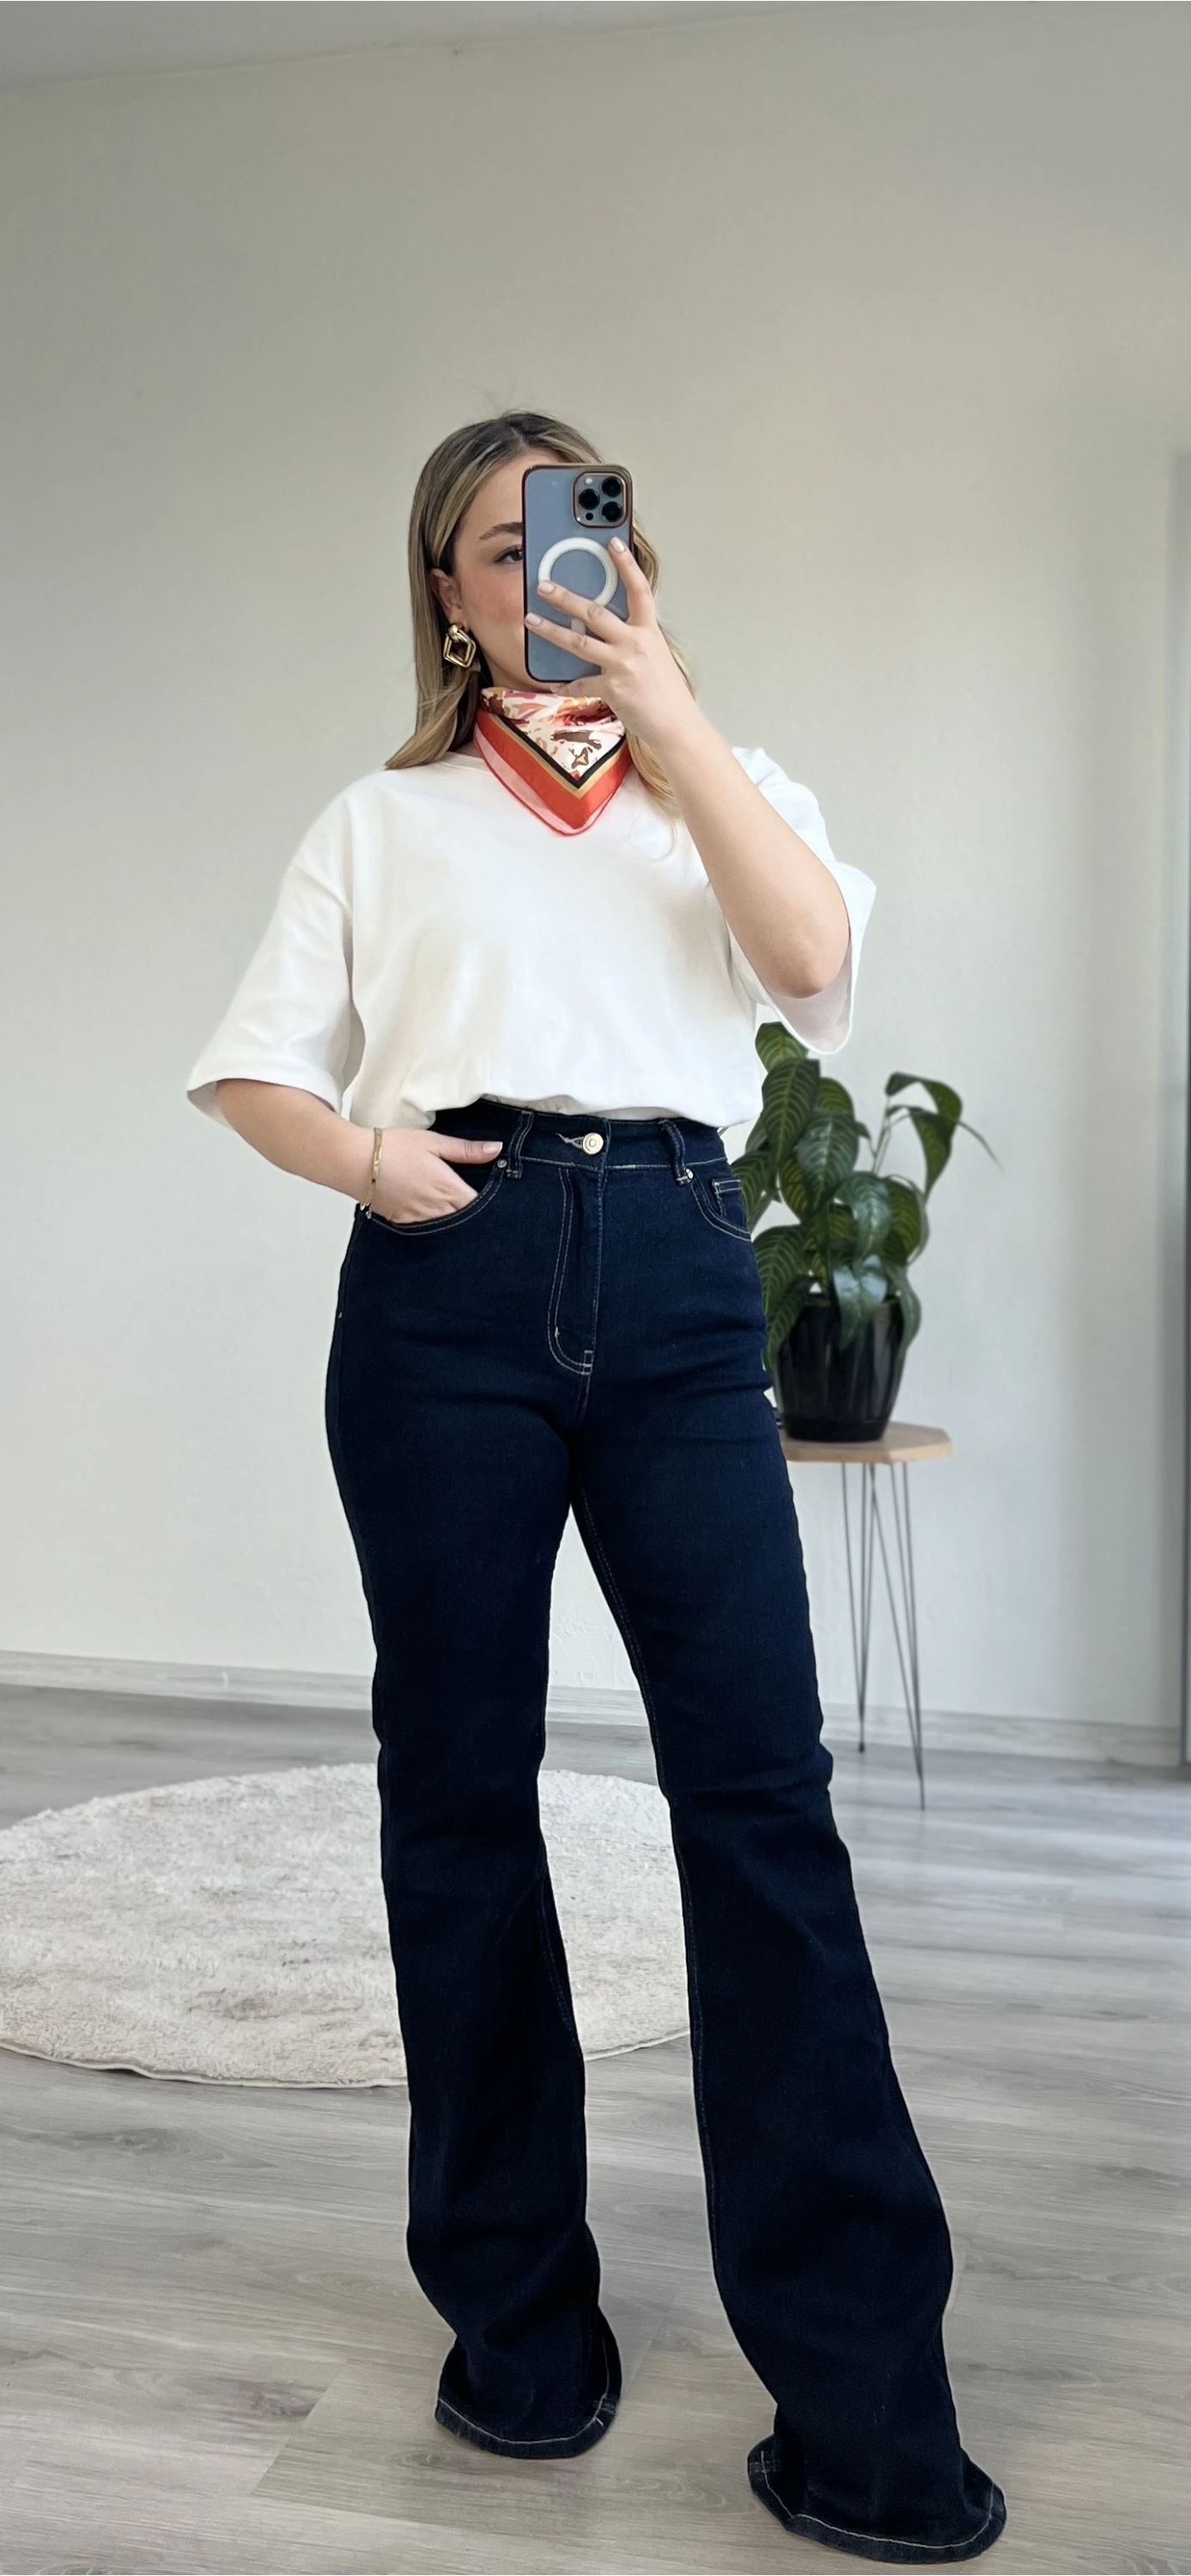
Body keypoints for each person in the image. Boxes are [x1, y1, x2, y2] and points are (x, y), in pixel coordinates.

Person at [185, 408, 1006, 2563]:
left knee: (761, 1804)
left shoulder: (727, 787)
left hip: (679, 1276)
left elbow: (810, 970)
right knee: (458, 1797)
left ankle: (868, 2420)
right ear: (448, 598)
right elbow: (252, 1067)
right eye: (504, 543)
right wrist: (372, 1160)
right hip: (442, 1296)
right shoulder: (382, 821)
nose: (553, 568)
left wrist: (667, 711)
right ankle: (519, 2334)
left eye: (589, 530)